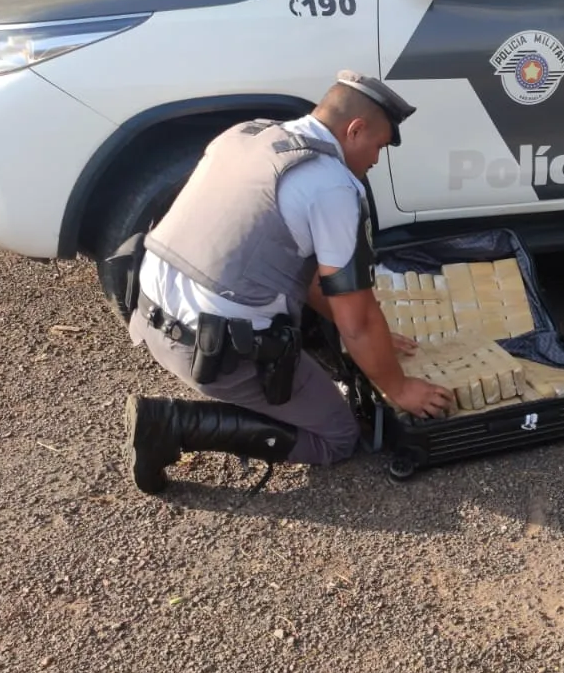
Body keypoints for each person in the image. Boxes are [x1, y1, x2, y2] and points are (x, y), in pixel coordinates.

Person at [122, 71, 453, 493]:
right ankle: (172, 426)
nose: (375, 160)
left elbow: (308, 277)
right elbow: (356, 321)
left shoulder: (248, 134)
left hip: (148, 314)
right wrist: (399, 386)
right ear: (355, 130)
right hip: (208, 352)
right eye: (378, 147)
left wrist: (380, 343)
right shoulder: (330, 185)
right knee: (338, 437)